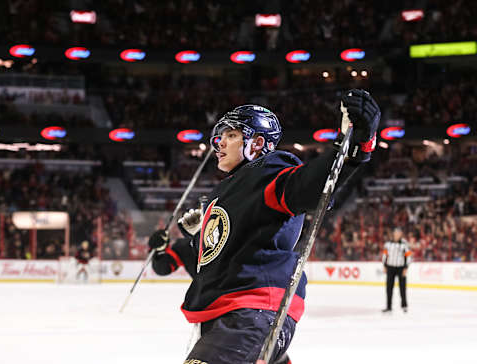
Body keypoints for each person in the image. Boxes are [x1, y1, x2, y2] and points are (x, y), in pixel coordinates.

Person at [149, 89, 381, 363]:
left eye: (232, 135)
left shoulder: (268, 172)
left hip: (253, 312)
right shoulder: (225, 192)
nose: (220, 143)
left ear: (257, 143)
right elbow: (213, 256)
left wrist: (354, 144)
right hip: (230, 315)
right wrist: (184, 240)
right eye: (221, 136)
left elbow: (309, 186)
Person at [382, 227, 412, 313]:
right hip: (390, 267)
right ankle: (388, 307)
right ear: (393, 233)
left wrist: (406, 267)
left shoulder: (404, 244)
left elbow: (409, 256)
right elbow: (384, 255)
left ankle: (404, 306)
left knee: (402, 288)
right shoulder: (388, 244)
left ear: (401, 234)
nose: (397, 234)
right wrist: (384, 265)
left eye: (399, 233)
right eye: (396, 232)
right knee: (389, 288)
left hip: (401, 268)